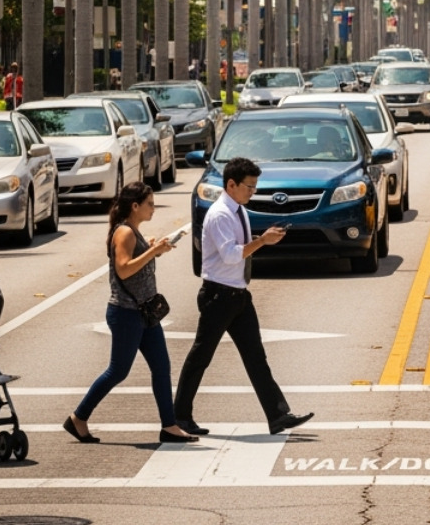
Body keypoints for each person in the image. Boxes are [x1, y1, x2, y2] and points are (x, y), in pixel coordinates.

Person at [173, 157, 312, 435]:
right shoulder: (220, 214)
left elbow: (239, 249)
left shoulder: (239, 210)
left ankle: (277, 415)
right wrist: (261, 241)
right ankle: (180, 417)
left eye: (254, 186)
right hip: (218, 296)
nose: (252, 192)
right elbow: (230, 254)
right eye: (249, 186)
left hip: (238, 295)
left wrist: (263, 238)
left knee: (256, 356)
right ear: (231, 184)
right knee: (201, 357)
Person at [64, 183, 196, 445]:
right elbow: (123, 269)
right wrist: (153, 251)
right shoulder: (124, 232)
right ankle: (78, 417)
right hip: (126, 313)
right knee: (118, 371)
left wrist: (155, 247)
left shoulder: (132, 230)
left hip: (144, 312)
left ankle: (169, 426)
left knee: (162, 367)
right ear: (135, 206)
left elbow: (138, 261)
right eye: (150, 204)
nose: (153, 209)